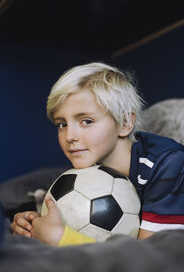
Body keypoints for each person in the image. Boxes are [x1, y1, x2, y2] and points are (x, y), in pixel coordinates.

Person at [11, 62, 184, 246]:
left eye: (86, 121)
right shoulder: (87, 168)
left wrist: (61, 239)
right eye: (62, 124)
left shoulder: (168, 165)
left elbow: (153, 258)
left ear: (125, 122)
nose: (70, 136)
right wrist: (34, 224)